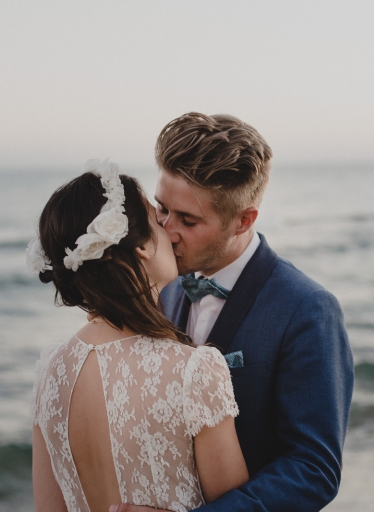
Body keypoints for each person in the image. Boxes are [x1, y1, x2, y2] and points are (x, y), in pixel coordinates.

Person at [112, 113, 354, 512]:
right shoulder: (165, 288)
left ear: (243, 220)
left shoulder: (308, 309)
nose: (166, 230)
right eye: (162, 208)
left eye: (188, 220)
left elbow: (314, 468)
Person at [28, 159, 249, 512]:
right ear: (142, 246)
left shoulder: (51, 371)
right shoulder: (195, 370)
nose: (169, 229)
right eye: (156, 219)